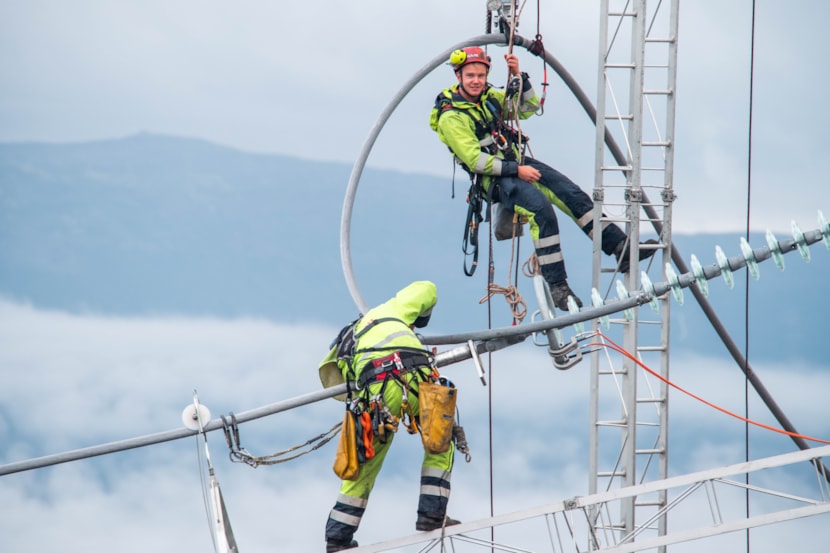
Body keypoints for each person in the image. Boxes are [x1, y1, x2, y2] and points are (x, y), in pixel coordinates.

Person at [429, 46, 657, 311]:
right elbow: (475, 160)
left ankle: (619, 247)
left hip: (515, 161)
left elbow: (527, 108)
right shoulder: (452, 116)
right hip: (494, 178)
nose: (476, 80)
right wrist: (517, 171)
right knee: (541, 211)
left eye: (480, 75)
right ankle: (559, 287)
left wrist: (519, 77)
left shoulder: (488, 97)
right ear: (459, 76)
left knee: (571, 194)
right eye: (470, 75)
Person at [321, 281, 459, 552]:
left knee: (365, 463)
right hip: (419, 379)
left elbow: (347, 388)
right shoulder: (391, 310)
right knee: (442, 443)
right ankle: (431, 515)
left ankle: (338, 538)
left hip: (378, 393)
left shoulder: (346, 346)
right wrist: (420, 320)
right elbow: (427, 288)